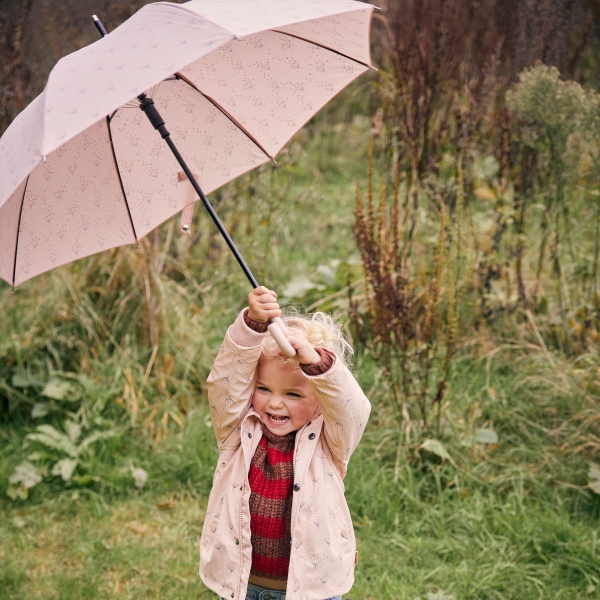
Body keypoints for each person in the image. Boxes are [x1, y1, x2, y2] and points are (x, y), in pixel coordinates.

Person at [199, 286, 371, 600]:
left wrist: (316, 363)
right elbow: (224, 384)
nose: (276, 404)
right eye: (264, 389)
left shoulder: (330, 441)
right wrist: (251, 327)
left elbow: (352, 409)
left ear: (320, 400)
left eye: (293, 394)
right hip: (242, 586)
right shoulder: (237, 431)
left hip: (312, 591)